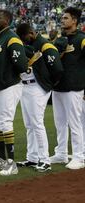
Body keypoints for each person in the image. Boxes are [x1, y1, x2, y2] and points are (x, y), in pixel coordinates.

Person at [0, 10, 27, 176]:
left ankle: (12, 163)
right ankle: (1, 159)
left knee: (6, 122)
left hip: (8, 85)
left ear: (7, 20)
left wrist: (8, 74)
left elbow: (22, 65)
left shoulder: (12, 38)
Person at [15, 23, 63, 172]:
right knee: (29, 124)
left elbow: (58, 69)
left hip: (37, 87)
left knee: (36, 123)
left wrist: (48, 84)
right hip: (26, 86)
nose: (23, 41)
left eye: (24, 37)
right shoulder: (33, 43)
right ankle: (32, 157)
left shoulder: (45, 45)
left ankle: (45, 160)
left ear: (31, 32)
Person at [50, 7, 85, 170]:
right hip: (58, 87)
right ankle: (61, 153)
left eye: (66, 18)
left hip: (74, 87)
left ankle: (79, 156)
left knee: (75, 122)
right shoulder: (59, 39)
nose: (62, 20)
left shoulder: (81, 39)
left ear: (74, 21)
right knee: (60, 122)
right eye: (62, 18)